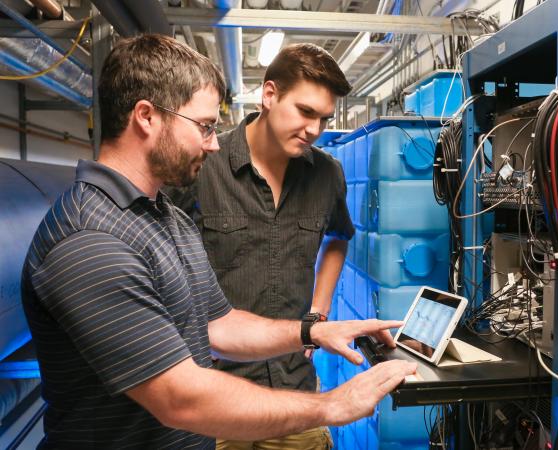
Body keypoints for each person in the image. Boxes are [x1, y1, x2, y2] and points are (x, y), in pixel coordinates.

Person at [21, 34, 415, 449]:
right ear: (147, 117)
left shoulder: (162, 218)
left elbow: (218, 325)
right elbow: (181, 398)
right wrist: (333, 404)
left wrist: (312, 331)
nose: (213, 143)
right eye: (205, 127)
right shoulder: (91, 242)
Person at [165, 42, 354, 450]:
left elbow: (340, 237)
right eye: (305, 112)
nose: (315, 130)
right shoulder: (203, 165)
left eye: (324, 118)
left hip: (293, 388)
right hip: (214, 390)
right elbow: (162, 253)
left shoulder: (327, 175)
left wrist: (317, 314)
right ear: (269, 95)